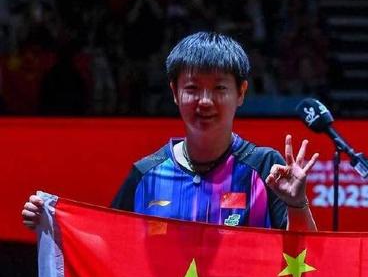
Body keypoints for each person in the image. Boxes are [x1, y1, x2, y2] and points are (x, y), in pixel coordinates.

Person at [23, 31, 319, 231]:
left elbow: (304, 259)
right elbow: (108, 248)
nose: (205, 101)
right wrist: (53, 223)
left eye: (219, 88)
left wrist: (297, 204)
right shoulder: (145, 174)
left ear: (241, 93)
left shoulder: (266, 168)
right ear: (175, 93)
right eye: (192, 88)